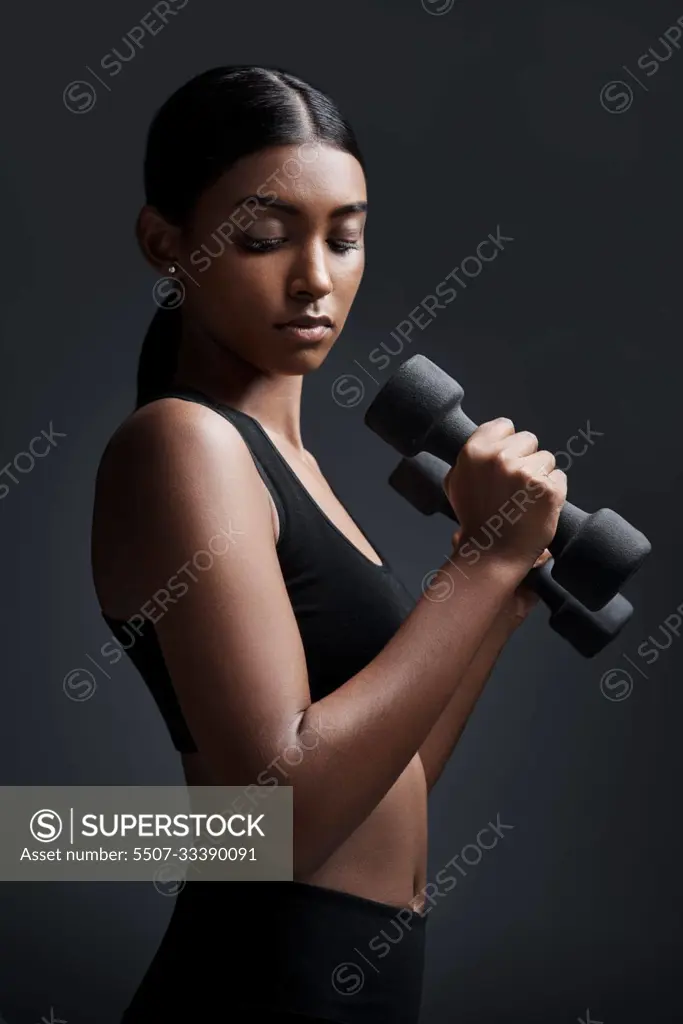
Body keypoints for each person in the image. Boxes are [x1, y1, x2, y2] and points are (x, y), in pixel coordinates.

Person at [90, 64, 566, 1024]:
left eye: (343, 238)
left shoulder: (292, 467)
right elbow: (282, 819)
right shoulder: (185, 443)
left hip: (358, 972)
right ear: (165, 243)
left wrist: (495, 596)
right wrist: (481, 564)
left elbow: (389, 779)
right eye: (264, 238)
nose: (315, 277)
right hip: (260, 979)